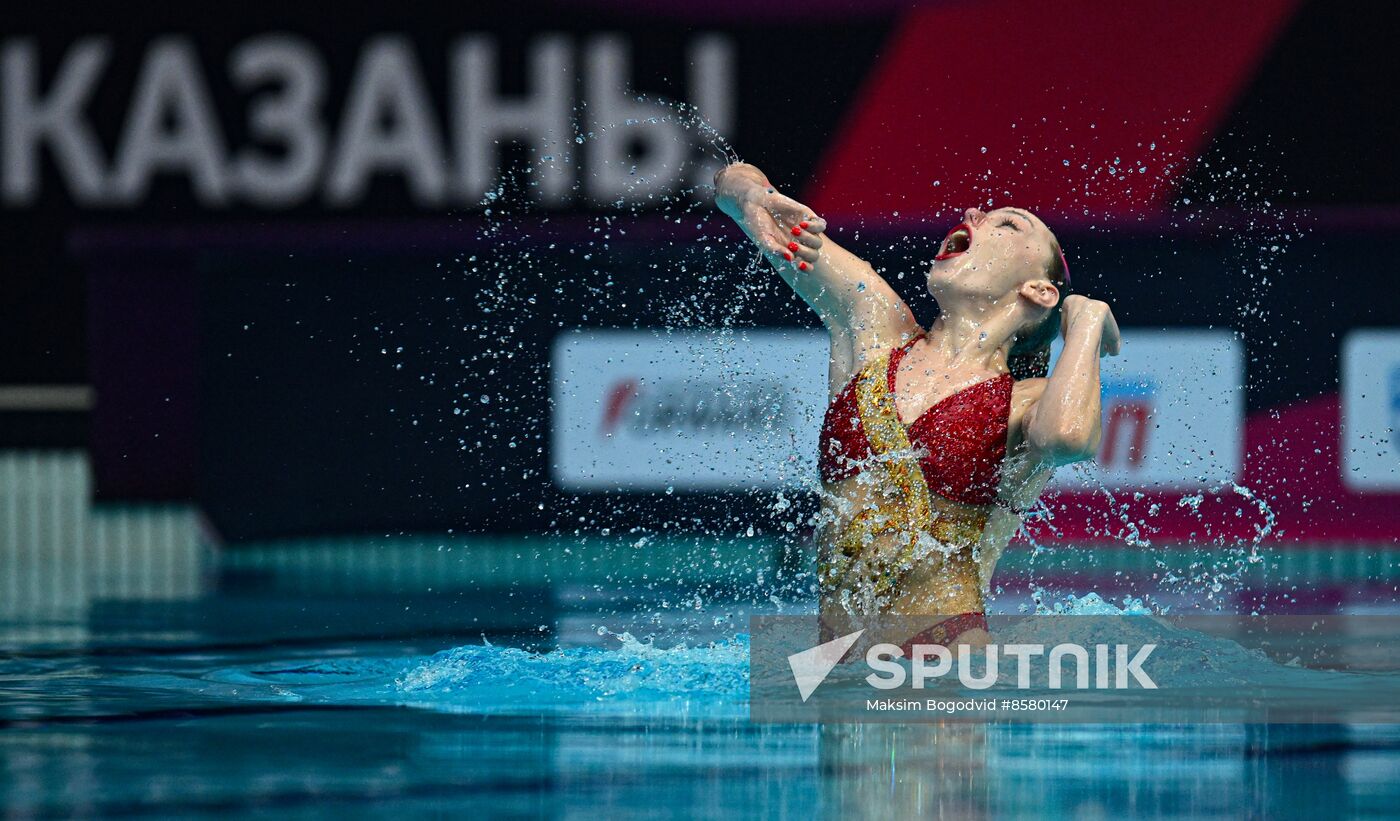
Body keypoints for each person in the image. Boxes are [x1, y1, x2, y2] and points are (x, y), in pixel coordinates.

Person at [714, 162, 1120, 646]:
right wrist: (746, 196)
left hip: (947, 663)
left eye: (1008, 223)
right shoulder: (874, 333)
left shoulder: (1023, 402)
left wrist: (1086, 321)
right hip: (836, 664)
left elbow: (1067, 438)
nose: (974, 212)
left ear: (1039, 291)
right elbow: (738, 184)